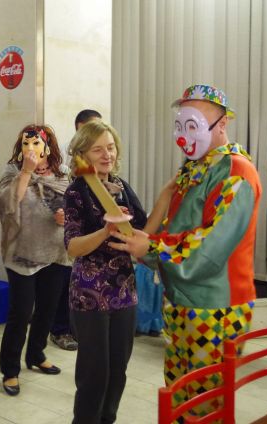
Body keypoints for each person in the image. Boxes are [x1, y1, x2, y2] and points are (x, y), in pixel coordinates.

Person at [109, 84, 262, 418]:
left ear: (222, 124)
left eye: (193, 125)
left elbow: (210, 246)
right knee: (179, 390)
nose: (183, 136)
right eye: (180, 126)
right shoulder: (194, 168)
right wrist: (145, 239)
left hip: (216, 306)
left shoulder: (237, 171)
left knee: (205, 401)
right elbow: (175, 227)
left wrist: (151, 247)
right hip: (180, 299)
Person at [65, 119, 157, 423]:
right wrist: (106, 230)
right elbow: (73, 247)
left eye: (111, 147)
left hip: (124, 290)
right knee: (94, 376)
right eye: (98, 149)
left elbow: (143, 229)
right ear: (83, 154)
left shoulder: (122, 187)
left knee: (118, 372)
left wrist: (168, 199)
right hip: (90, 294)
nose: (107, 155)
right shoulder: (77, 191)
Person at [0, 124, 70, 396]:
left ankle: (36, 354)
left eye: (36, 143)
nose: (31, 149)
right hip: (22, 254)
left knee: (47, 309)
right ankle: (10, 370)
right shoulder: (12, 172)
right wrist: (26, 171)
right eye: (26, 144)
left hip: (55, 252)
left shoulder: (63, 174)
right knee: (21, 313)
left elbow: (75, 206)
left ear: (48, 147)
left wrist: (67, 217)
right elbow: (8, 203)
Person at [49, 109, 102, 352]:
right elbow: (59, 188)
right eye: (90, 128)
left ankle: (75, 328)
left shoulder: (100, 156)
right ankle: (60, 330)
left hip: (91, 230)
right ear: (79, 128)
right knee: (63, 280)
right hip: (68, 227)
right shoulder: (66, 156)